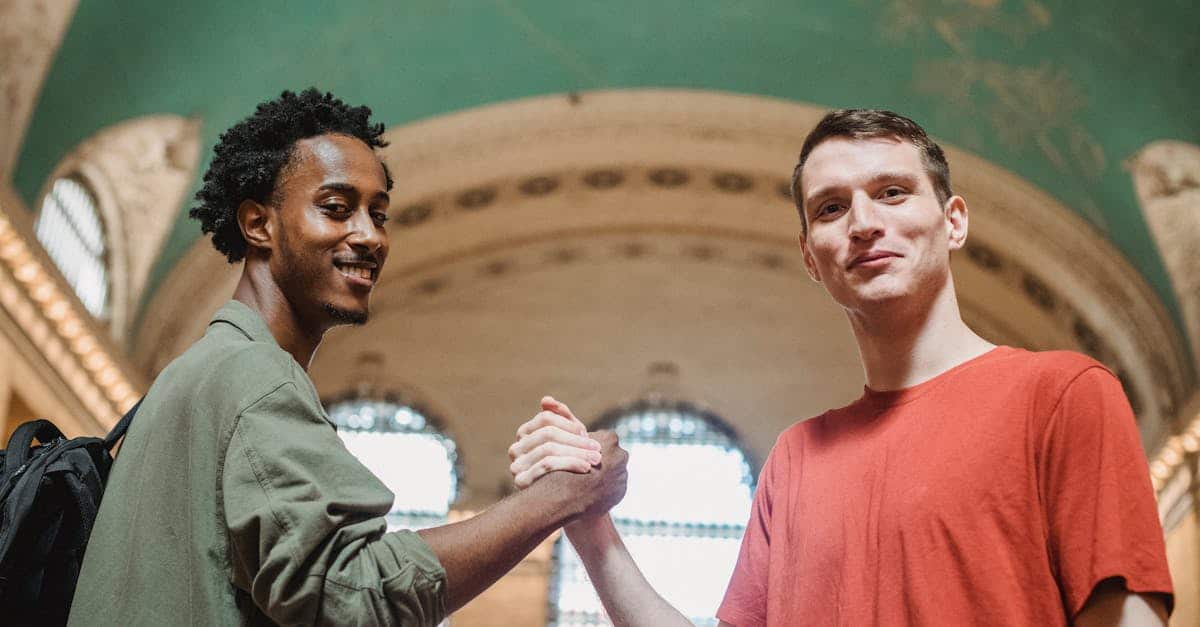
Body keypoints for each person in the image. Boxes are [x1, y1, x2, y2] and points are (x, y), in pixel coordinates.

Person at [508, 109, 1174, 626]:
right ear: (809, 254)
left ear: (954, 222)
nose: (862, 222)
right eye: (831, 206)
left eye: (891, 192)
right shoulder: (798, 456)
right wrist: (588, 526)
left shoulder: (1062, 396)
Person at [68, 89, 628, 626]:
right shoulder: (253, 376)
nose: (370, 236)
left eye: (378, 214)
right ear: (258, 224)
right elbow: (350, 597)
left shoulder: (198, 373)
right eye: (336, 208)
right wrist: (557, 499)